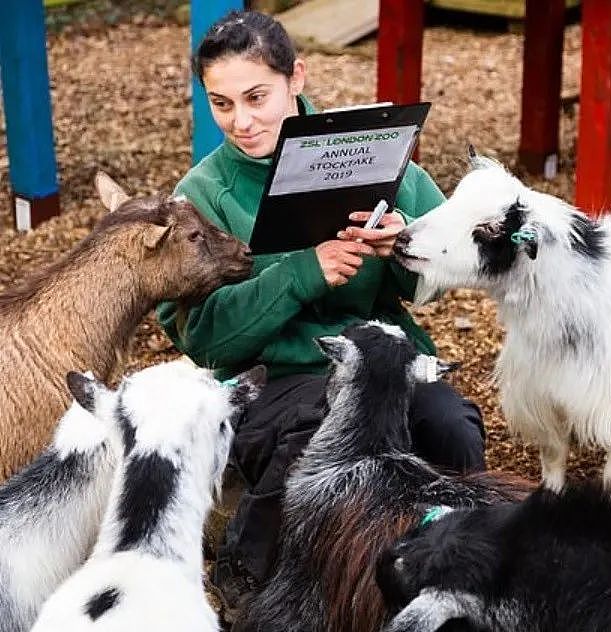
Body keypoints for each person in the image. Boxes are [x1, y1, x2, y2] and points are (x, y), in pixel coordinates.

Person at [156, 9, 486, 618]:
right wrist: (303, 272)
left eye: (257, 96)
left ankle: (452, 578)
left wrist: (402, 248)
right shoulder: (202, 193)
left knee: (450, 428)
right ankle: (253, 588)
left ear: (296, 78)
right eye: (221, 103)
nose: (242, 120)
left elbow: (451, 259)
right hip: (276, 379)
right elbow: (202, 336)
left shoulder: (367, 151)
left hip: (382, 356)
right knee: (321, 427)